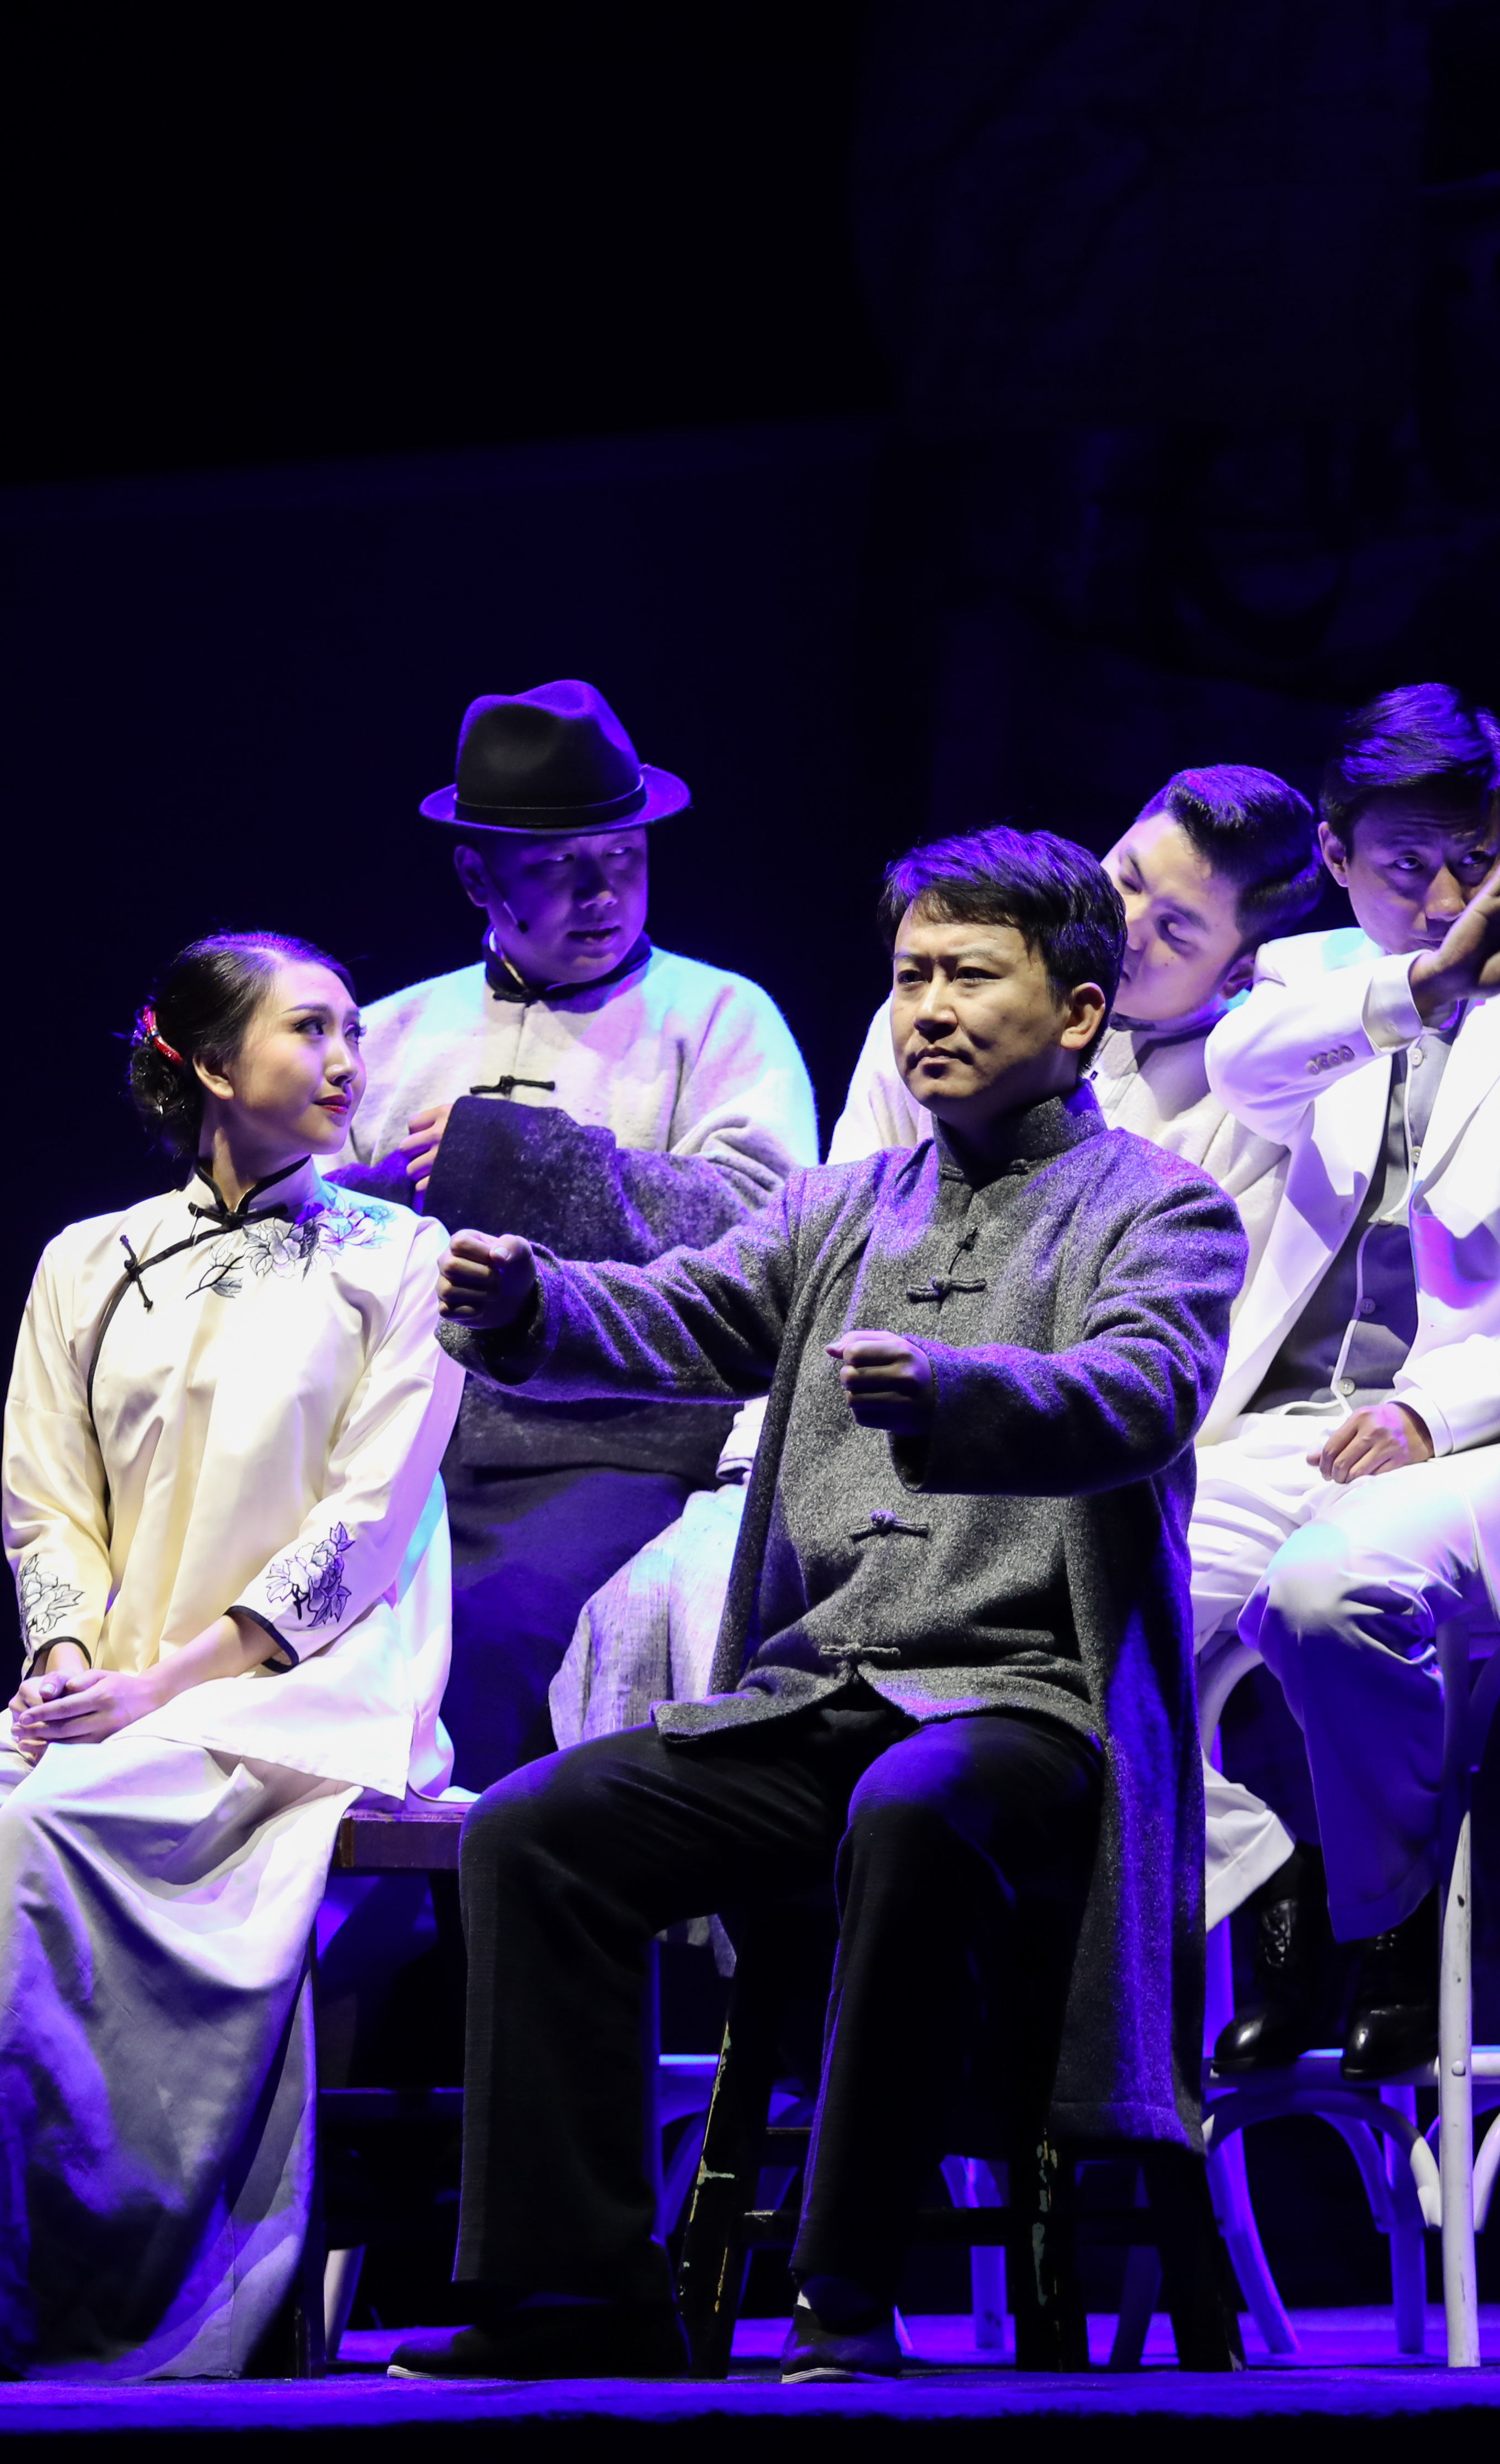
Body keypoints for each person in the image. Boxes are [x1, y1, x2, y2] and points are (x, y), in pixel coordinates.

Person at [403, 830, 1244, 2384]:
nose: (929, 1008)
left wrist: (958, 1390)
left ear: (1077, 1012)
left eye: (970, 975)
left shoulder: (1159, 1211)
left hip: (1025, 1708)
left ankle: (846, 2286)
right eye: (911, 976)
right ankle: (576, 2291)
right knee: (534, 1828)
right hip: (821, 1697)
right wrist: (535, 1302)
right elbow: (689, 1308)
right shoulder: (842, 1208)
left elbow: (1145, 1389)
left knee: (916, 1805)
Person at [0, 933, 464, 2385]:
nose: (349, 1059)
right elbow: (49, 1501)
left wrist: (164, 1687)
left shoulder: (404, 1257)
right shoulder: (86, 1261)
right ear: (213, 1065)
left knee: (51, 1822)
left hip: (304, 1688)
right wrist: (64, 1659)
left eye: (354, 1030)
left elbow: (366, 1524)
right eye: (311, 1029)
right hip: (118, 1675)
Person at [548, 765, 1321, 1749]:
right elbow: (799, 1274)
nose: (1128, 926)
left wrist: (955, 1399)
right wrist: (746, 1459)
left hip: (1048, 1510)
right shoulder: (928, 1020)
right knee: (648, 1607)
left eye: (1177, 929)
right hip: (837, 1462)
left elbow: (1165, 1383)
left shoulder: (1236, 1123)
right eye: (1125, 878)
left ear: (1240, 972)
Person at [1191, 684, 1500, 2081]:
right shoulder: (1308, 986)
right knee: (1075, 1609)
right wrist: (1428, 985)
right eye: (1406, 863)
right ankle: (1272, 1888)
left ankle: (1393, 1918)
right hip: (1293, 1434)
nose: (1448, 895)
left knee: (1325, 1590)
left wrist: (1436, 1410)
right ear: (1336, 857)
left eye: (1475, 856)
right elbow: (1239, 1070)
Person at [337, 679, 818, 1790]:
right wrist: (374, 1187)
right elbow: (305, 1223)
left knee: (490, 1644)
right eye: (560, 866)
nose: (604, 893)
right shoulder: (391, 1029)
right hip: (400, 1448)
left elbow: (762, 1223)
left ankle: (473, 1897)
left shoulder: (719, 1016)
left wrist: (517, 1158)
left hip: (610, 1446)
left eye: (626, 857)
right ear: (478, 876)